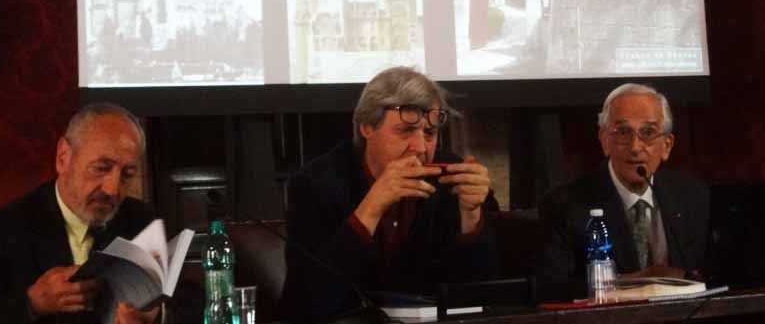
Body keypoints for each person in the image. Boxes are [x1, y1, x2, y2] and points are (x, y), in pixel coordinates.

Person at [281, 66, 499, 322]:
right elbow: (306, 302)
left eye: (429, 133)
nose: (420, 147)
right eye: (406, 131)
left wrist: (471, 218)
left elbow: (485, 297)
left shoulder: (453, 178)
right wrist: (371, 208)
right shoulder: (314, 185)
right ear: (367, 127)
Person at [0, 103, 166, 324]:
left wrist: (156, 315)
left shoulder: (141, 219)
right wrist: (31, 305)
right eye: (101, 168)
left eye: (127, 174)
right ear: (63, 157)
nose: (112, 190)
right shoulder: (3, 230)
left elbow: (187, 300)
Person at [537, 83, 710, 301]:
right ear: (604, 141)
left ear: (667, 145)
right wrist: (634, 283)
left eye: (648, 132)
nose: (635, 147)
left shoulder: (692, 195)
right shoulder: (564, 204)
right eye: (623, 132)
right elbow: (551, 289)